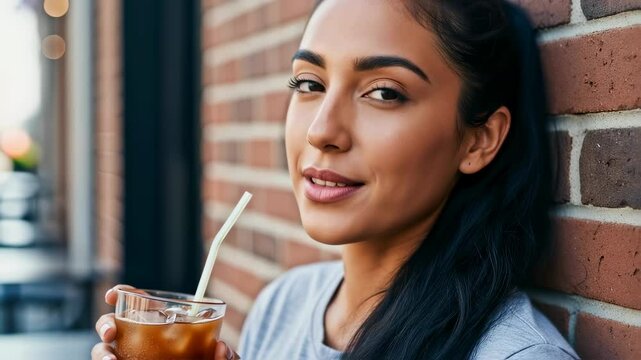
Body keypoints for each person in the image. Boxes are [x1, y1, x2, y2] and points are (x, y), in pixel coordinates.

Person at [92, 0, 581, 359]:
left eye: (384, 93)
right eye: (309, 84)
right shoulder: (283, 304)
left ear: (479, 141)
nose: (322, 130)